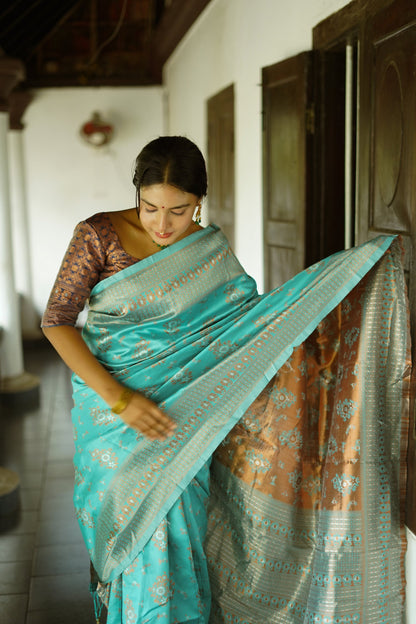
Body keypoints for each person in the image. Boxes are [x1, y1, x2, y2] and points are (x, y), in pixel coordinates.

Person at [42, 136, 410, 624]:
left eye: (180, 210)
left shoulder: (206, 248)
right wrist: (119, 399)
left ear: (200, 202)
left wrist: (340, 286)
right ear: (137, 194)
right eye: (150, 207)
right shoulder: (97, 235)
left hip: (185, 416)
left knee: (173, 531)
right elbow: (56, 321)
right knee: (130, 529)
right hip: (113, 414)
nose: (163, 224)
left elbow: (245, 329)